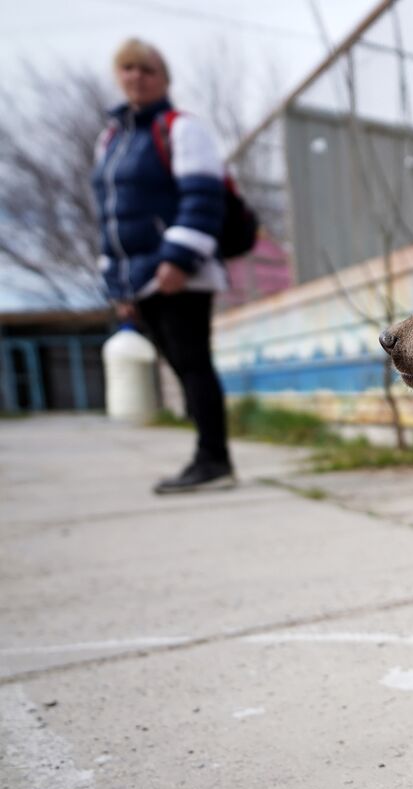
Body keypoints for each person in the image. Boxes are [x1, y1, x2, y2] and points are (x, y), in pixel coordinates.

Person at [93, 38, 233, 493]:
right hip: (136, 278)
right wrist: (117, 283)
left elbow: (203, 197)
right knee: (179, 365)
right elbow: (110, 218)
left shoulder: (181, 128)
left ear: (163, 78)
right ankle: (207, 453)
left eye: (147, 69)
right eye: (128, 68)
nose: (136, 76)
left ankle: (213, 459)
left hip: (179, 273)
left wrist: (177, 259)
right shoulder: (110, 139)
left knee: (194, 364)